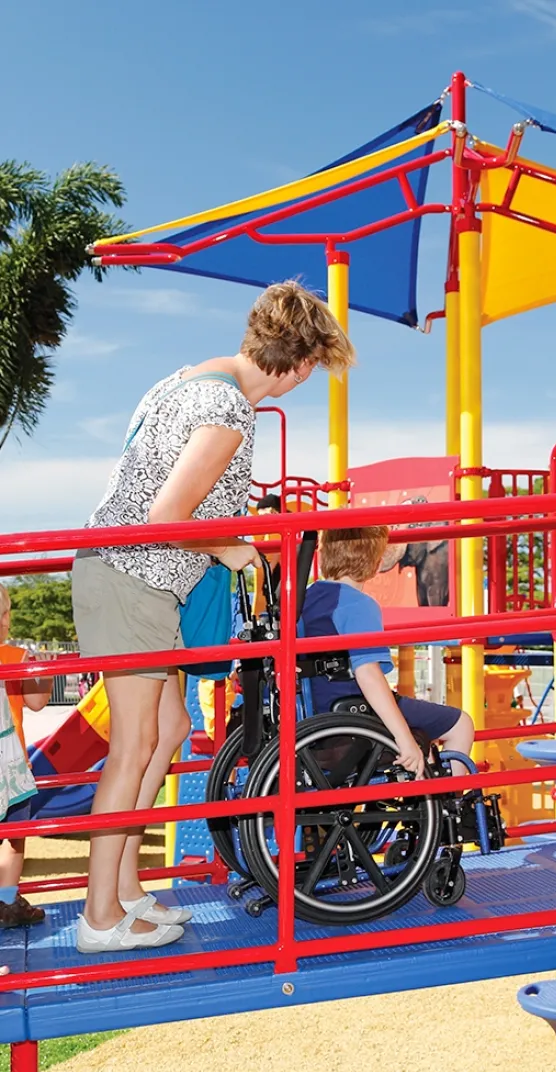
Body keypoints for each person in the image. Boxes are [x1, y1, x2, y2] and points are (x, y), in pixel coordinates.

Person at [71, 281, 355, 954]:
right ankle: (98, 916)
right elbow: (165, 516)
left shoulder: (192, 379)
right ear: (301, 360)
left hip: (139, 581)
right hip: (129, 578)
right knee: (135, 744)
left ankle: (126, 890)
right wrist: (234, 546)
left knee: (167, 728)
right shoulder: (227, 409)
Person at [299, 526, 474, 779]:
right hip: (350, 713)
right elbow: (368, 675)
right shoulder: (358, 605)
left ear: (325, 554)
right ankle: (454, 803)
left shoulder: (306, 597)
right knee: (461, 724)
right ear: (376, 562)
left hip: (313, 712)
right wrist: (404, 739)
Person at [0, 582, 53, 929]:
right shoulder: (15, 656)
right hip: (11, 769)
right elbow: (37, 702)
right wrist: (44, 673)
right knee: (14, 838)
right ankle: (6, 903)